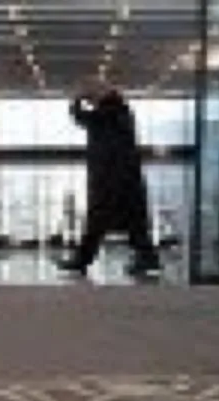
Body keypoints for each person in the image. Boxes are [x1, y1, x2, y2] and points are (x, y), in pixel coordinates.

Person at [57, 80, 160, 277]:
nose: (91, 101)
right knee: (134, 224)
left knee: (97, 221)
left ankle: (82, 261)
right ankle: (146, 258)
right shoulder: (120, 112)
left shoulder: (107, 113)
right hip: (126, 179)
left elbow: (81, 117)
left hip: (109, 180)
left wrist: (77, 100)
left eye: (93, 97)